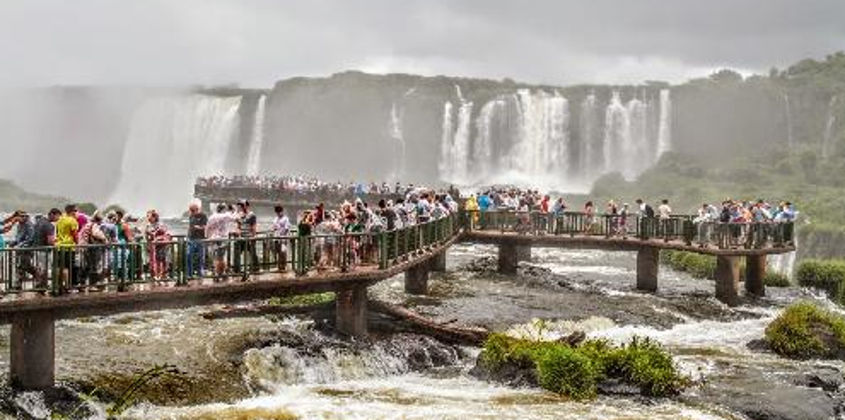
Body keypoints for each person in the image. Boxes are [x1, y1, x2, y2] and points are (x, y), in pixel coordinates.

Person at [206, 204, 237, 279]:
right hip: (222, 238)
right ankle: (221, 273)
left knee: (215, 257)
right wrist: (235, 210)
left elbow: (208, 228)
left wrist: (208, 238)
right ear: (223, 210)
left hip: (213, 238)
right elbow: (236, 218)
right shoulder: (226, 216)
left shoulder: (211, 217)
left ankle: (215, 271)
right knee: (221, 257)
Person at [56, 205, 79, 291]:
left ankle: (59, 285)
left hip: (59, 246)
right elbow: (75, 234)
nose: (76, 213)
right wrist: (77, 243)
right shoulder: (72, 221)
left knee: (59, 267)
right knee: (68, 267)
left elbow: (57, 232)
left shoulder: (60, 219)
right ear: (72, 211)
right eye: (75, 211)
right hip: (69, 246)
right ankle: (68, 286)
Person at [144, 210, 171, 280]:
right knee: (153, 261)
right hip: (153, 246)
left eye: (149, 216)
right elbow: (147, 236)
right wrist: (148, 243)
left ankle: (163, 275)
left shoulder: (160, 225)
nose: (148, 218)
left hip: (162, 245)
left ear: (154, 217)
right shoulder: (148, 225)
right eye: (147, 216)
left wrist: (157, 238)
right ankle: (154, 275)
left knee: (163, 260)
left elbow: (166, 235)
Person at [234, 200, 258, 275]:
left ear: (247, 206)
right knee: (237, 253)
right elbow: (238, 226)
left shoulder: (252, 215)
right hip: (241, 237)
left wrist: (253, 237)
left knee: (252, 253)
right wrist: (237, 231)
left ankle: (255, 268)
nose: (241, 207)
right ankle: (237, 270)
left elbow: (253, 227)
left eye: (243, 205)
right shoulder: (239, 215)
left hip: (249, 237)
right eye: (240, 205)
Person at [186, 203, 208, 279]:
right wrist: (188, 235)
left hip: (200, 238)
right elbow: (190, 227)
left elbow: (205, 227)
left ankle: (200, 272)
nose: (191, 212)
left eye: (193, 210)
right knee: (188, 255)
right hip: (191, 238)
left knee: (200, 256)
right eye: (191, 210)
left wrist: (197, 227)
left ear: (197, 209)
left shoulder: (203, 216)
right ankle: (189, 273)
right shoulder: (191, 216)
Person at [272, 205, 291, 272]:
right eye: (277, 212)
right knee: (277, 252)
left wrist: (282, 235)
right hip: (276, 238)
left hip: (283, 238)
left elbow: (286, 228)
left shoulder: (286, 219)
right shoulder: (275, 219)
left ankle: (284, 266)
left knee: (283, 252)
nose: (278, 213)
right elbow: (274, 228)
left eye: (279, 211)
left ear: (282, 211)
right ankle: (279, 266)